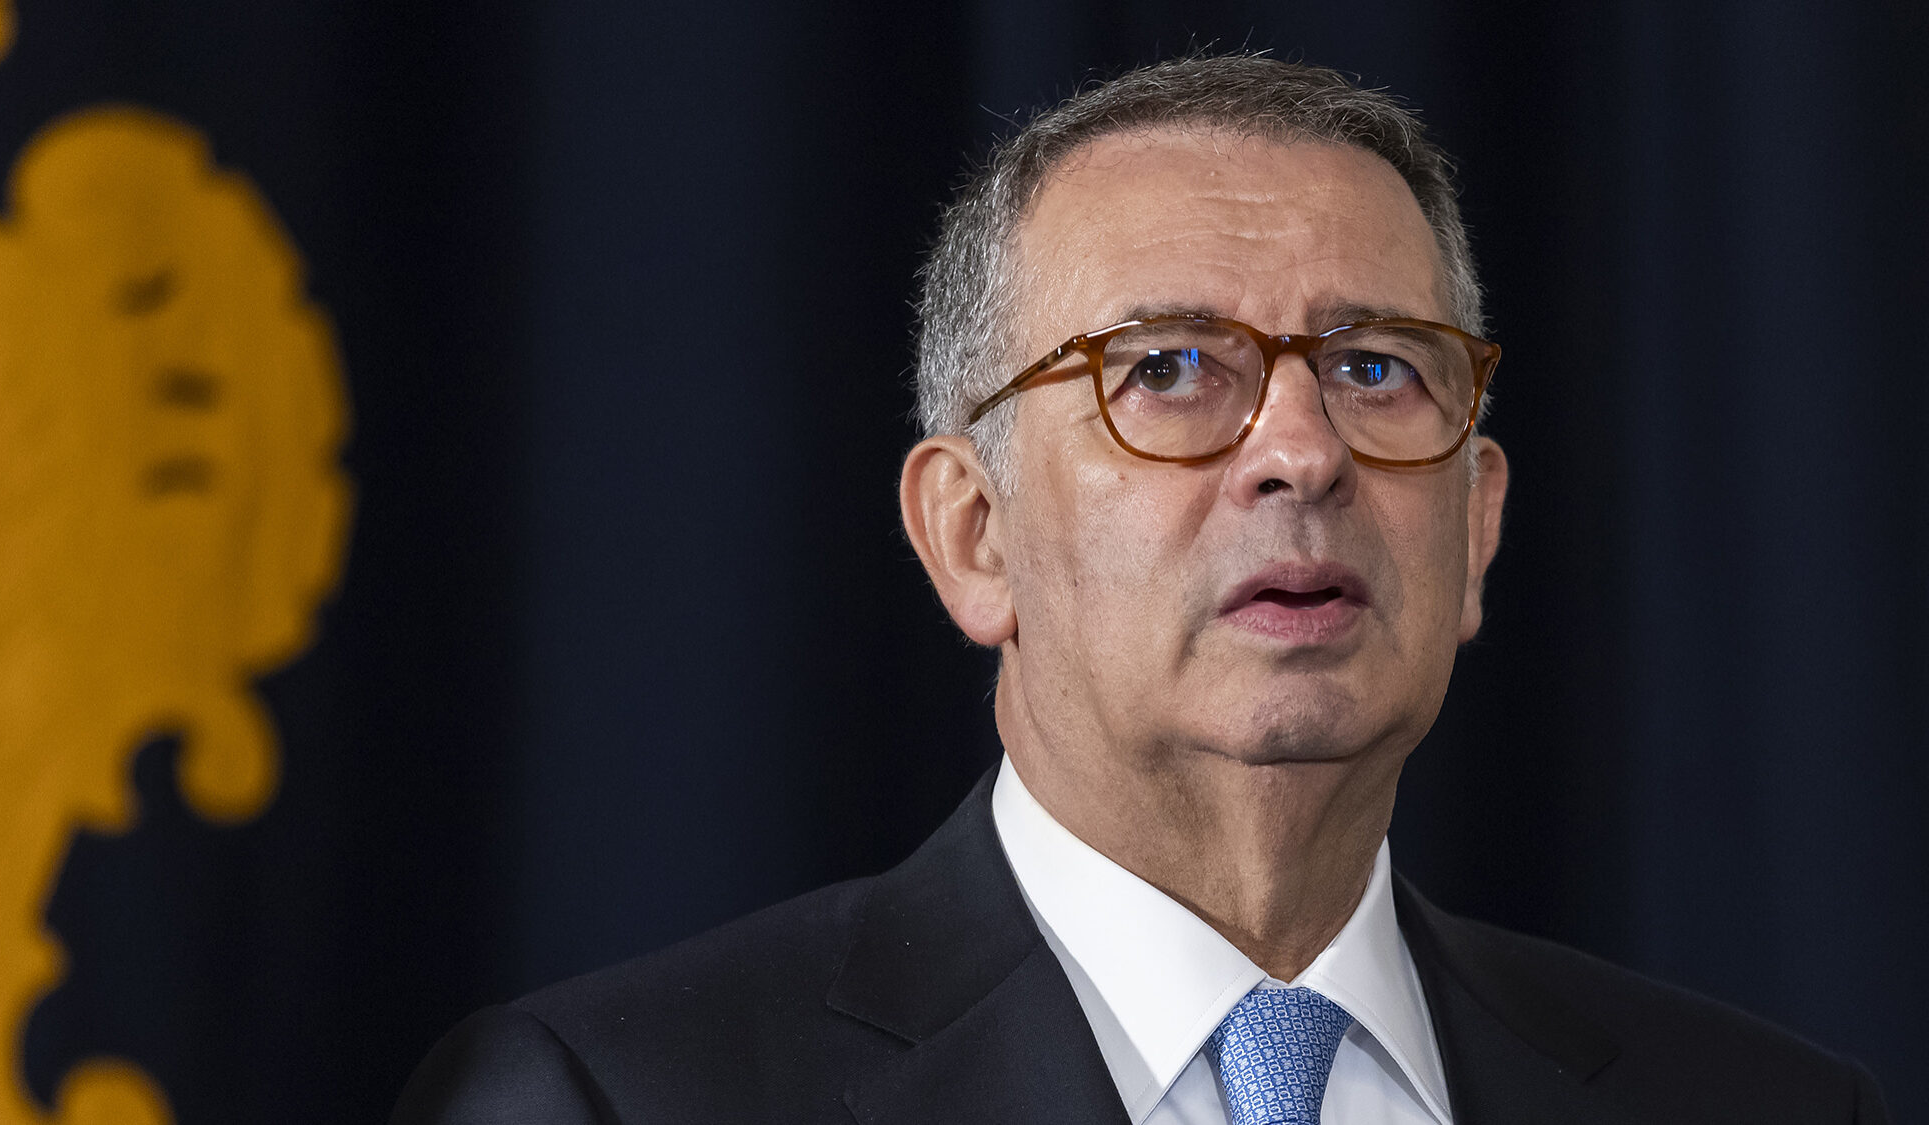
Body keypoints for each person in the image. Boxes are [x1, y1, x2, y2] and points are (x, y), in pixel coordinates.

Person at [392, 54, 1889, 1125]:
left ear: (1478, 526)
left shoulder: (1768, 1103)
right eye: (1168, 370)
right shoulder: (611, 1098)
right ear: (973, 534)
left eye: (1378, 369)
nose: (1301, 451)